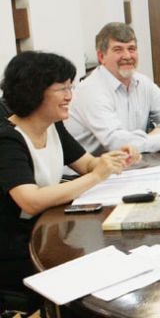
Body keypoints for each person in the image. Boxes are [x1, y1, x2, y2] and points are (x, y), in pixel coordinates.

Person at [0, 51, 140, 293]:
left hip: (50, 230)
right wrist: (96, 176)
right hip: (17, 247)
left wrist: (113, 159)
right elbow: (30, 201)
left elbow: (87, 164)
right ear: (33, 92)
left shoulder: (53, 125)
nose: (69, 96)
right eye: (62, 89)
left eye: (70, 87)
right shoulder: (7, 140)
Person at [66, 22, 160, 153]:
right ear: (101, 57)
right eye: (118, 50)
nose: (127, 56)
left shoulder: (142, 82)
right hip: (92, 167)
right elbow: (117, 143)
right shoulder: (91, 90)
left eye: (131, 49)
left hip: (133, 161)